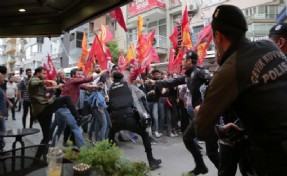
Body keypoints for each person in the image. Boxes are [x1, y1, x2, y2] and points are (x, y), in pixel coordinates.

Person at [194, 5, 287, 175]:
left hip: (276, 158)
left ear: (218, 36)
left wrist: (221, 130)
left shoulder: (229, 70)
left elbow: (202, 129)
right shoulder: (270, 46)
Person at [146, 50, 218, 175]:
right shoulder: (187, 75)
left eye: (184, 60)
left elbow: (215, 87)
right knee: (187, 137)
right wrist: (155, 82)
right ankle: (200, 165)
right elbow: (172, 82)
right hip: (200, 115)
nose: (182, 62)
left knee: (212, 152)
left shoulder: (201, 72)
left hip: (208, 114)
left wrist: (203, 104)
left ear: (189, 61)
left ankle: (224, 171)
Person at [29, 66, 91, 159]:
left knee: (46, 138)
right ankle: (78, 118)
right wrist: (49, 81)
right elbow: (34, 83)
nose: (45, 76)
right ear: (37, 73)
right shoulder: (33, 80)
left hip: (44, 110)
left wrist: (55, 88)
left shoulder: (39, 83)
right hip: (43, 109)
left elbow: (44, 90)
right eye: (43, 73)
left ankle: (37, 159)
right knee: (66, 98)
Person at [108, 71, 162, 170]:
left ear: (113, 79)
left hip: (116, 119)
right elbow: (139, 96)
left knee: (110, 138)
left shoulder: (110, 89)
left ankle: (107, 163)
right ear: (122, 78)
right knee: (145, 134)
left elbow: (111, 103)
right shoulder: (128, 86)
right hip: (129, 118)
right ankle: (151, 161)